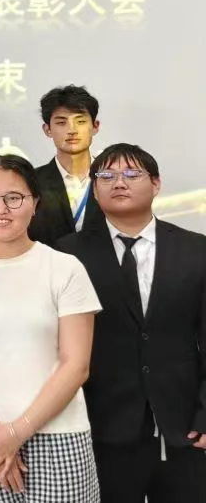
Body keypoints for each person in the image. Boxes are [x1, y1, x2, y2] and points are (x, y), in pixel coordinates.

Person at [57, 144, 206, 502]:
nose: (118, 182)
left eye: (131, 174)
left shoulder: (196, 249)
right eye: (106, 176)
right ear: (94, 189)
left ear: (156, 184)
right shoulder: (66, 254)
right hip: (101, 430)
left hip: (186, 427)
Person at [0, 155, 101, 503]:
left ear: (34, 204)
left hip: (58, 435)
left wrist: (18, 432)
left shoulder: (64, 268)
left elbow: (76, 365)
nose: (1, 209)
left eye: (14, 198)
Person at [29, 85, 104, 245]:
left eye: (80, 121)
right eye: (61, 122)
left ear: (95, 126)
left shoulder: (113, 178)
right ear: (47, 129)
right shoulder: (30, 182)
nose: (72, 130)